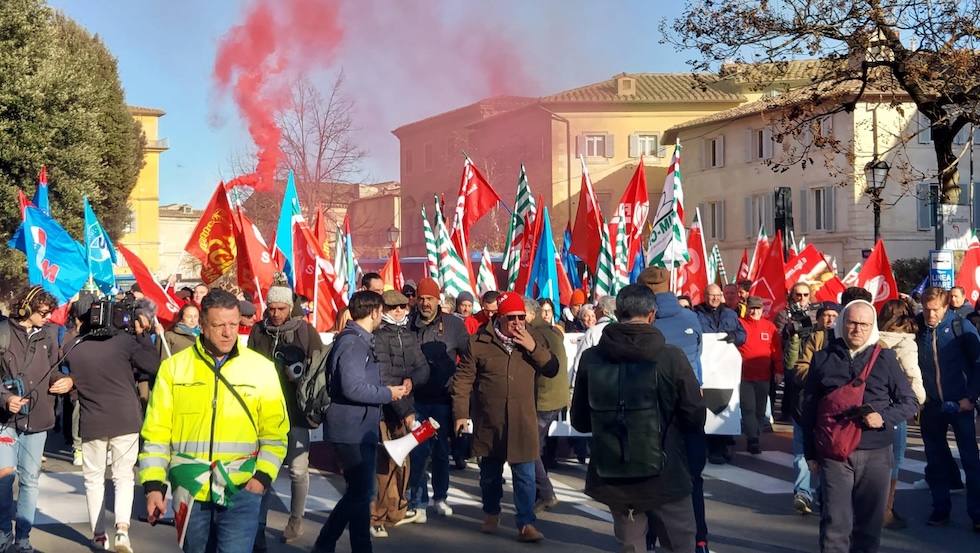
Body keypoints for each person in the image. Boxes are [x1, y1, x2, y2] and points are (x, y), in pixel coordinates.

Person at [139, 289, 289, 553]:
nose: (228, 332)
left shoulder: (261, 368)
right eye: (219, 325)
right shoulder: (173, 369)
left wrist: (263, 477)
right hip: (190, 490)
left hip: (241, 490)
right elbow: (156, 433)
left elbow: (276, 431)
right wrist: (153, 486)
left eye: (233, 323)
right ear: (202, 325)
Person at [571, 284, 706, 553]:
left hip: (615, 471)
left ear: (617, 313)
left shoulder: (591, 358)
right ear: (653, 315)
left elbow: (581, 421)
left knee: (630, 545)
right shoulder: (672, 357)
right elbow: (695, 416)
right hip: (666, 470)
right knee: (681, 544)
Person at [802, 300, 918, 552]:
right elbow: (809, 408)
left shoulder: (885, 358)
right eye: (852, 323)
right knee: (835, 522)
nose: (857, 330)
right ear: (842, 323)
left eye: (864, 324)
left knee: (868, 527)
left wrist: (883, 417)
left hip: (876, 451)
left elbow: (910, 402)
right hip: (834, 452)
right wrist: (810, 454)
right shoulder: (823, 358)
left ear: (872, 326)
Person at [453, 291, 559, 542]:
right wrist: (460, 414)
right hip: (490, 421)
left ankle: (526, 524)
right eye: (511, 318)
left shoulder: (532, 338)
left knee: (525, 475)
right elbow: (463, 379)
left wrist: (533, 348)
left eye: (521, 317)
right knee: (489, 475)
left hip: (523, 421)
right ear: (499, 318)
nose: (517, 323)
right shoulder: (479, 341)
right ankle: (491, 512)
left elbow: (552, 369)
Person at [310, 292, 409, 553]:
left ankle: (359, 546)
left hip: (360, 427)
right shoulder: (352, 343)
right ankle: (325, 542)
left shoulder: (360, 341)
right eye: (381, 311)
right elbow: (352, 387)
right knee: (362, 492)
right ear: (375, 312)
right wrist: (389, 393)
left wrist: (387, 388)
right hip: (350, 428)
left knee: (361, 492)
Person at [65, 297, 160, 552]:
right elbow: (153, 365)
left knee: (93, 479)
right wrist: (142, 335)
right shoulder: (124, 342)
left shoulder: (74, 345)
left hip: (93, 420)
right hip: (126, 419)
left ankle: (98, 535)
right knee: (123, 477)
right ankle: (121, 529)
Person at [247, 280, 324, 550]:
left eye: (280, 308)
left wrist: (300, 378)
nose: (275, 313)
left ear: (290, 308)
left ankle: (295, 519)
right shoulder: (259, 331)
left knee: (298, 471)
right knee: (263, 470)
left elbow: (318, 373)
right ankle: (258, 524)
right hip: (264, 411)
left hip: (296, 412)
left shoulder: (305, 331)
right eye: (271, 308)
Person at [639, 267, 710, 553]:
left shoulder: (643, 323)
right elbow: (698, 355)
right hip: (688, 407)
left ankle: (648, 538)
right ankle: (700, 540)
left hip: (649, 411)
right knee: (692, 479)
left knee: (647, 478)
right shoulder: (690, 318)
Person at [0, 286, 72, 553]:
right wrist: (5, 398)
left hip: (38, 419)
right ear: (25, 309)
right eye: (43, 312)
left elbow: (53, 371)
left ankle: (23, 538)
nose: (49, 317)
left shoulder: (50, 334)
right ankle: (4, 533)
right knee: (4, 480)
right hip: (5, 421)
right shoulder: (3, 333)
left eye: (50, 312)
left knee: (30, 481)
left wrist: (66, 381)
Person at [404, 278, 470, 523]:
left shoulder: (453, 326)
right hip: (417, 401)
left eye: (430, 299)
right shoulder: (408, 325)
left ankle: (440, 497)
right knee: (419, 451)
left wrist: (458, 384)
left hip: (443, 401)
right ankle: (419, 501)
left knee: (442, 451)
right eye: (421, 299)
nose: (425, 303)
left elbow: (469, 358)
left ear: (438, 299)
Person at [914, 286, 980, 530]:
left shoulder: (960, 327)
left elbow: (978, 363)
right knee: (935, 459)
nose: (930, 314)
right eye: (926, 309)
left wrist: (970, 397)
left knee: (971, 460)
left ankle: (977, 513)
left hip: (961, 404)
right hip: (931, 405)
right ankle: (940, 509)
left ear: (945, 307)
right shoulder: (917, 327)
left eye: (935, 310)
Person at [370, 290, 429, 536]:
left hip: (406, 407)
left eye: (403, 306)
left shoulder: (408, 335)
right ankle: (377, 517)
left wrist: (411, 382)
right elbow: (383, 376)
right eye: (393, 307)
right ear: (383, 309)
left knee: (402, 464)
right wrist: (405, 409)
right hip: (384, 410)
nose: (399, 310)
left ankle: (394, 512)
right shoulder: (378, 337)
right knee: (383, 467)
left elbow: (423, 367)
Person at [785, 301, 840, 515]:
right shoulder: (815, 338)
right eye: (825, 315)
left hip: (833, 408)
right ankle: (802, 494)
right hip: (808, 405)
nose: (829, 320)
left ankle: (824, 494)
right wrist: (819, 379)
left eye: (834, 315)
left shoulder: (847, 339)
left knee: (829, 453)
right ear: (818, 318)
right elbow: (797, 369)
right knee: (801, 452)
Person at [877, 298, 926, 529]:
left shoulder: (872, 339)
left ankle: (869, 507)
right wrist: (918, 401)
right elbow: (912, 375)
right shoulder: (905, 342)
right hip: (895, 407)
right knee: (894, 461)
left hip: (873, 404)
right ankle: (885, 511)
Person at [693, 283, 746, 465]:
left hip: (725, 369)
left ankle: (723, 446)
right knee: (709, 406)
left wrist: (734, 337)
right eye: (711, 295)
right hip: (706, 368)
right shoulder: (695, 314)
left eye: (718, 295)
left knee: (726, 404)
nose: (715, 298)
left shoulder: (730, 314)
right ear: (705, 295)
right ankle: (712, 448)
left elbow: (742, 334)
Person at [525, 297, 568, 513]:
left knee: (529, 446)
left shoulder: (536, 333)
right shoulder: (551, 331)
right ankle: (538, 490)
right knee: (536, 445)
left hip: (543, 397)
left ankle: (545, 491)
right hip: (554, 397)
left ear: (531, 315)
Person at [736, 296, 783, 454]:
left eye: (757, 308)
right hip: (744, 376)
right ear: (747, 308)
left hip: (763, 376)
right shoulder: (739, 324)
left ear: (762, 310)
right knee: (748, 408)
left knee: (760, 411)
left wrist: (779, 371)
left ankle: (756, 435)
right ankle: (752, 439)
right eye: (752, 308)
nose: (754, 311)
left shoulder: (769, 327)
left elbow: (776, 351)